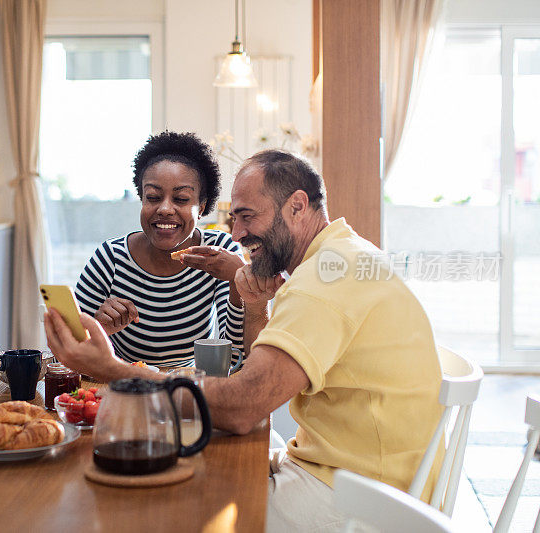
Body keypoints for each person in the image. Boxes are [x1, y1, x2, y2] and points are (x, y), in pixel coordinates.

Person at [46, 149, 444, 531]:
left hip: (368, 499)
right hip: (350, 471)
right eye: (233, 218)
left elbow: (243, 409)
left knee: (166, 506)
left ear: (298, 206)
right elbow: (254, 377)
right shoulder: (338, 257)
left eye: (247, 217)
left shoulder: (324, 279)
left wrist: (113, 371)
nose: (236, 234)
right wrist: (255, 306)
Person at [75, 131, 246, 368]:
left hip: (190, 385)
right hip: (127, 382)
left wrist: (239, 282)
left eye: (181, 199)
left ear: (202, 206)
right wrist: (99, 327)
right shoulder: (110, 258)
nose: (165, 208)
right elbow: (71, 350)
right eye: (153, 197)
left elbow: (236, 354)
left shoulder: (219, 252)